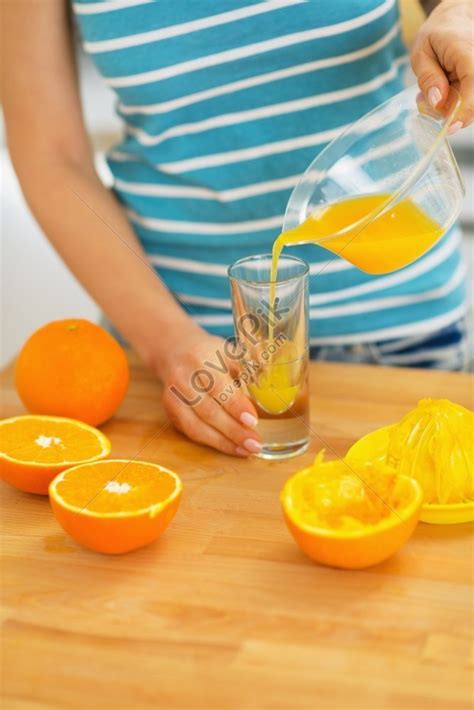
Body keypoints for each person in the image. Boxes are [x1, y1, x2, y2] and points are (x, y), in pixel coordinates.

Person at [2, 0, 473, 457]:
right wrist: (168, 343)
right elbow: (50, 157)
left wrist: (460, 15)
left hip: (403, 338)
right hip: (187, 360)